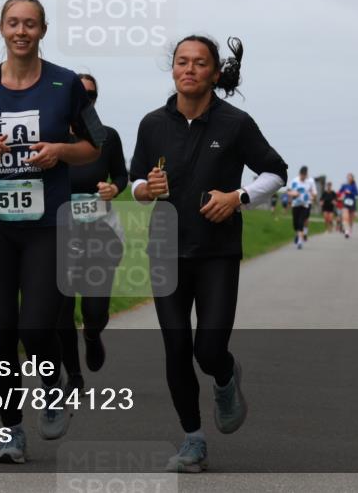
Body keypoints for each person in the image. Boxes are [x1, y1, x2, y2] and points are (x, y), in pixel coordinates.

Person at [0, 0, 106, 464]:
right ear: (1, 29)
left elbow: (94, 145)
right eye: (13, 23)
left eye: (29, 24)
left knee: (36, 328)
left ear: (42, 30)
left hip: (49, 225)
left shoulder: (66, 83)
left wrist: (59, 151)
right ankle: (11, 431)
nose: (20, 31)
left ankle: (52, 385)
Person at [131, 35, 287, 473]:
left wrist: (237, 197)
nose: (189, 69)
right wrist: (146, 190)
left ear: (215, 74)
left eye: (200, 63)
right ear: (174, 69)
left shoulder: (235, 123)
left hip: (217, 252)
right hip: (165, 250)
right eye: (182, 61)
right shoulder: (151, 124)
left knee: (208, 348)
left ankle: (225, 376)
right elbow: (135, 183)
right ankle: (193, 439)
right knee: (176, 347)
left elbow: (276, 172)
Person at [57, 73, 128, 391]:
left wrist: (113, 188)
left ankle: (92, 333)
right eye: (79, 93)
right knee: (61, 307)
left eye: (91, 94)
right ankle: (73, 375)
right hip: (60, 232)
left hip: (101, 231)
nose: (85, 99)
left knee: (95, 309)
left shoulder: (106, 137)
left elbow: (122, 177)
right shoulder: (53, 136)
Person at [288, 166, 313, 249]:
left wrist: (311, 197)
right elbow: (288, 191)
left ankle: (300, 241)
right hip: (295, 205)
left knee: (301, 222)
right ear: (300, 174)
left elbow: (311, 193)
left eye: (304, 175)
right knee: (295, 224)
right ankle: (298, 234)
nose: (303, 177)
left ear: (306, 175)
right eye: (302, 175)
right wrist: (293, 194)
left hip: (304, 205)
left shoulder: (308, 182)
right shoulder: (294, 181)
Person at [338, 173, 358, 239]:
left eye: (350, 177)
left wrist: (350, 193)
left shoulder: (354, 186)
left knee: (351, 219)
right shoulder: (344, 185)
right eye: (348, 177)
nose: (349, 178)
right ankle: (346, 231)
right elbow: (339, 192)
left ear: (352, 178)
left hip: (352, 203)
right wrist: (342, 195)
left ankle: (350, 229)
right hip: (346, 203)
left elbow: (357, 194)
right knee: (345, 217)